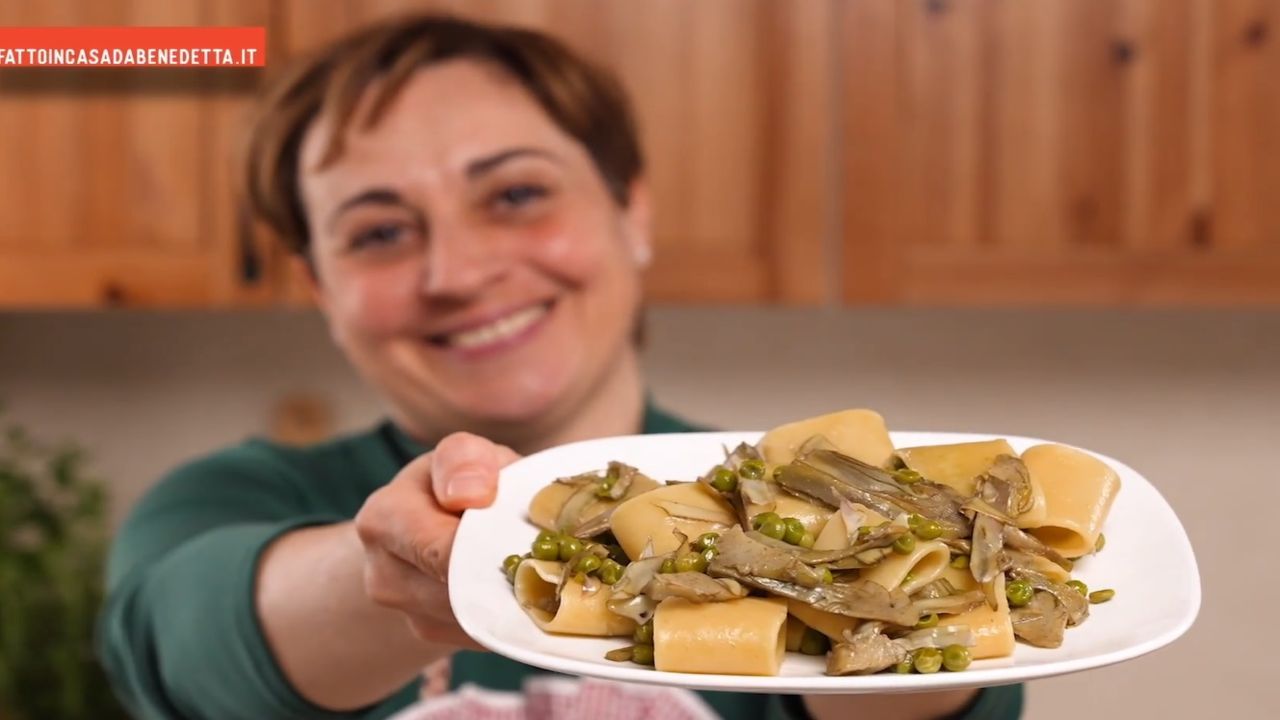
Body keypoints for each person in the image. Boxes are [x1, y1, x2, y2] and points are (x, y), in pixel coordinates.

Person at [97, 14, 1023, 720]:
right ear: (318, 286)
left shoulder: (787, 504)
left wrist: (877, 567)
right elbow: (184, 646)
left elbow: (941, 689)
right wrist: (393, 567)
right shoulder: (227, 498)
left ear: (633, 212)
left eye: (516, 193)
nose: (457, 272)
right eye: (378, 232)